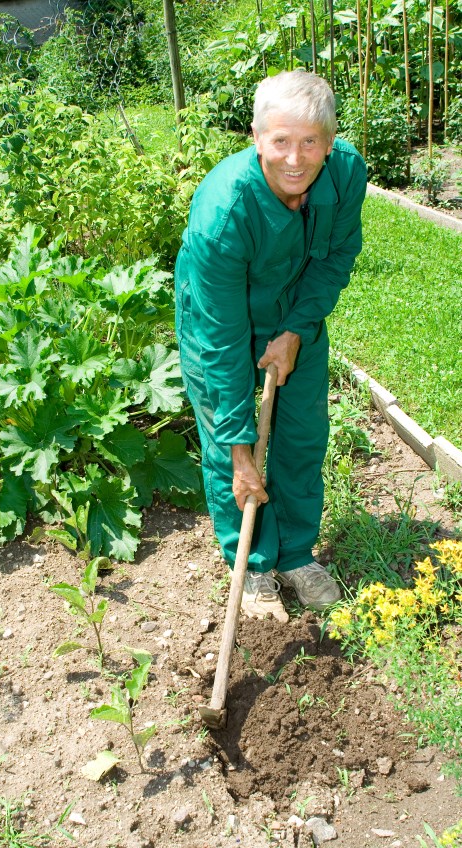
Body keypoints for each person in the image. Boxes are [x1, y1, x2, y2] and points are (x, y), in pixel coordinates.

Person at [175, 70, 367, 622]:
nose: (295, 158)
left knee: (302, 436)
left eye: (310, 142)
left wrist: (296, 330)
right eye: (281, 141)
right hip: (222, 322)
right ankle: (253, 563)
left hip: (295, 316)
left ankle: (296, 555)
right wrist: (239, 449)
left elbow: (337, 256)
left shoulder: (346, 173)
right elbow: (221, 342)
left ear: (330, 144)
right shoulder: (223, 212)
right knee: (235, 451)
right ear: (256, 137)